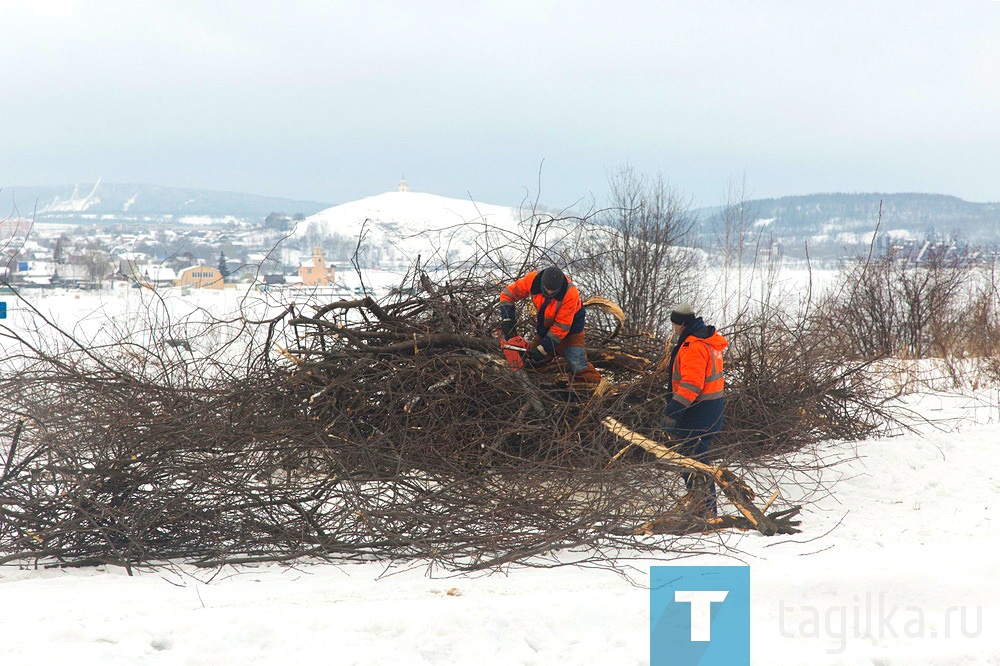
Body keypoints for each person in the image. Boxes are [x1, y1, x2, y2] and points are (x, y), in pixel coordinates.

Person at [660, 303, 727, 517]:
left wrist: (672, 411)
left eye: (673, 325)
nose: (673, 329)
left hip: (699, 412)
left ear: (680, 324)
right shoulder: (708, 340)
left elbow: (691, 385)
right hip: (711, 409)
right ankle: (702, 507)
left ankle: (705, 510)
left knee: (694, 461)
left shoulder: (693, 346)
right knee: (694, 459)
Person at [498, 265, 602, 384]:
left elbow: (561, 328)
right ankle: (545, 387)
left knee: (577, 364)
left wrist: (543, 350)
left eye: (553, 291)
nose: (549, 292)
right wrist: (508, 322)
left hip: (571, 331)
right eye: (547, 289)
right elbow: (507, 294)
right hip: (546, 329)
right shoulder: (532, 280)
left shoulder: (570, 293)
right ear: (542, 282)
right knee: (532, 360)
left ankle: (597, 387)